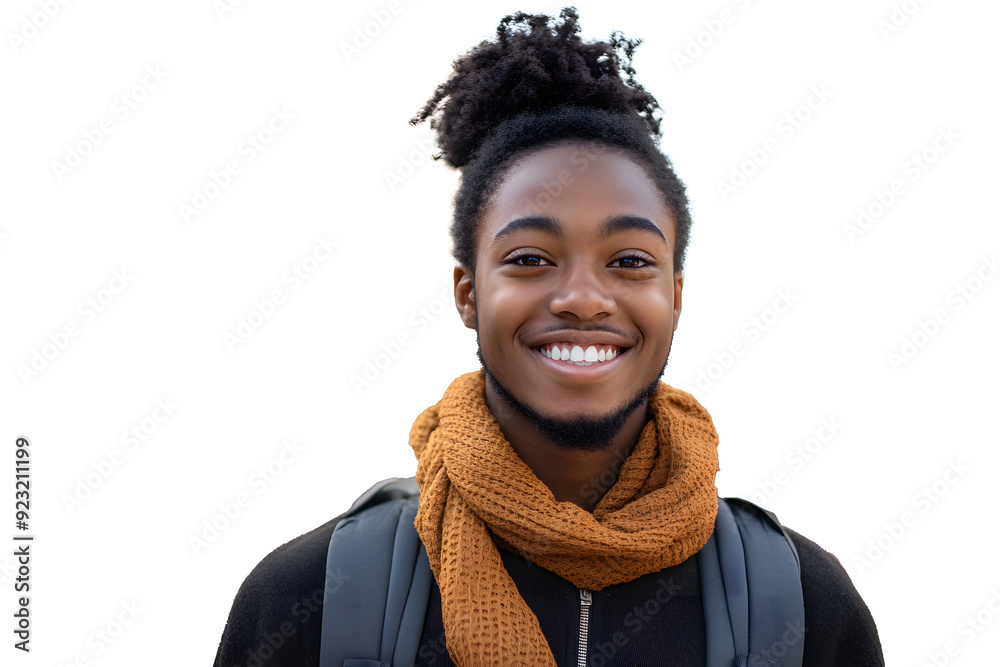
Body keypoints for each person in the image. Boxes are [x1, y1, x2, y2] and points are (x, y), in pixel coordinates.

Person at [213, 7, 884, 666]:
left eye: (629, 260)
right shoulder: (315, 599)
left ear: (674, 297)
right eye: (531, 258)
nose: (584, 298)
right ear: (468, 294)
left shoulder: (801, 607)